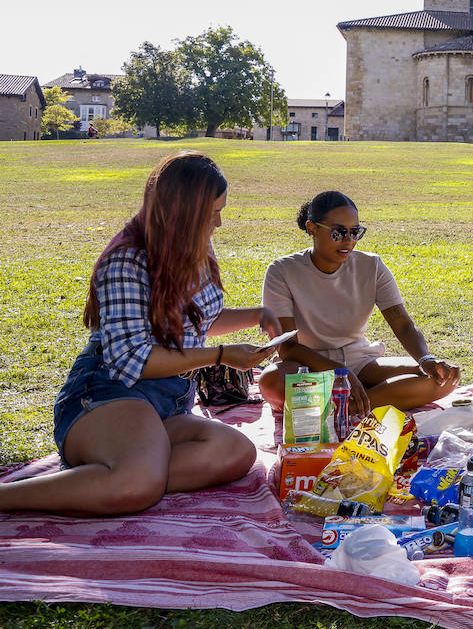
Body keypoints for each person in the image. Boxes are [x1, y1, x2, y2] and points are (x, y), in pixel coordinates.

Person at [0, 152, 284, 516]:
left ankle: (116, 473)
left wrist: (258, 315)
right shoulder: (127, 261)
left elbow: (191, 324)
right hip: (109, 393)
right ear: (182, 214)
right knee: (137, 484)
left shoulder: (192, 245)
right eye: (211, 213)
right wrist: (220, 355)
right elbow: (134, 358)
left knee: (236, 452)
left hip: (166, 404)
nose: (219, 223)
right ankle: (20, 495)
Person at [258, 190, 461, 416]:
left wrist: (426, 359)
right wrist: (339, 372)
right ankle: (359, 400)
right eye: (338, 233)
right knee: (272, 382)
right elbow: (287, 346)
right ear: (312, 228)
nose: (349, 241)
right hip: (306, 365)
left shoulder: (371, 266)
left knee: (442, 378)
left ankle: (345, 405)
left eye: (355, 232)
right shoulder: (282, 271)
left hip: (359, 361)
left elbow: (402, 324)